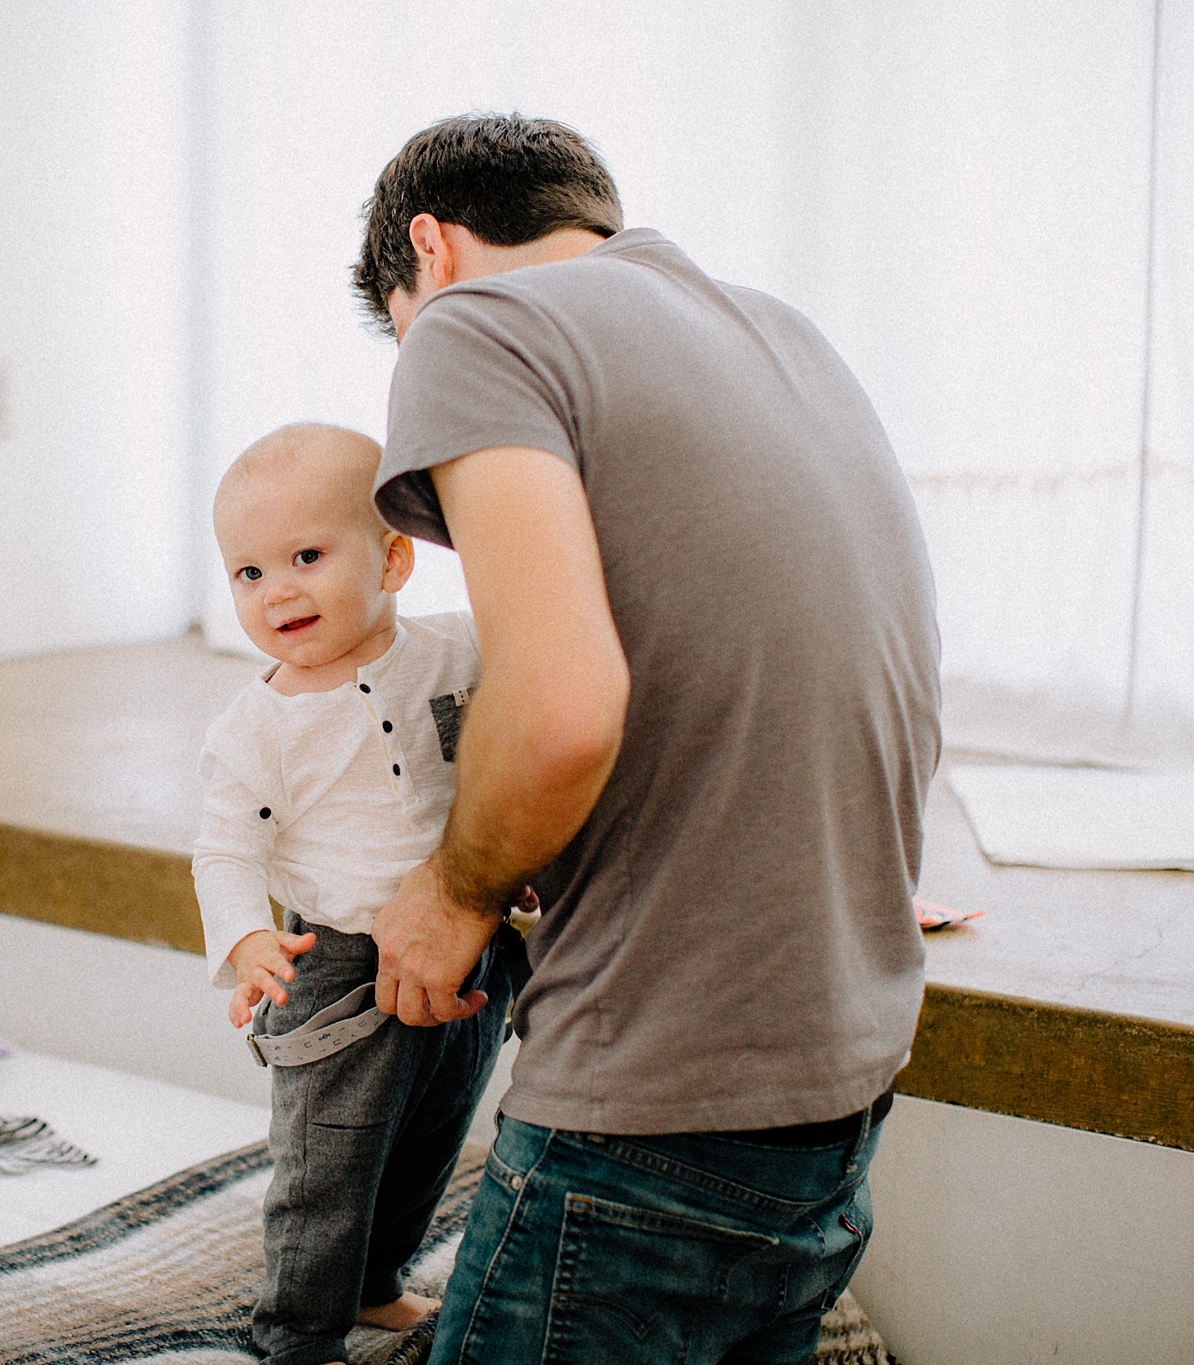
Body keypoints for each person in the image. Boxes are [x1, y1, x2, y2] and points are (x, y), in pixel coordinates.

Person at [355, 115, 942, 1365]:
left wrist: (453, 887)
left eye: (399, 321)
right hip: (836, 1087)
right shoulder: (782, 333)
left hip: (652, 1101)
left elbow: (560, 705)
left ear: (430, 249)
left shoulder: (472, 326)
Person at [193, 422, 523, 1365]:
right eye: (247, 573)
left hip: (465, 946)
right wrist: (247, 942)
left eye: (306, 555)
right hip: (333, 967)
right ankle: (296, 1332)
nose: (278, 589)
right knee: (328, 1164)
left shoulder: (454, 650)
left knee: (428, 1140)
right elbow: (223, 849)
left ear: (392, 557)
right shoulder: (256, 727)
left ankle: (377, 1284)